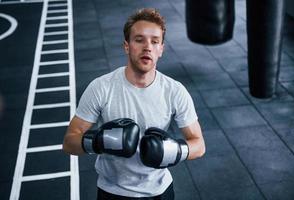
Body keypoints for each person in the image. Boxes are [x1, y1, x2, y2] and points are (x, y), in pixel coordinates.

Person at [63, 8, 205, 200]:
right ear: (127, 46)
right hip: (112, 192)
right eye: (139, 39)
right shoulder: (101, 87)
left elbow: (199, 145)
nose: (147, 47)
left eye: (155, 41)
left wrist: (175, 151)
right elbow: (69, 143)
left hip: (160, 192)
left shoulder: (175, 91)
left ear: (161, 49)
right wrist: (99, 141)